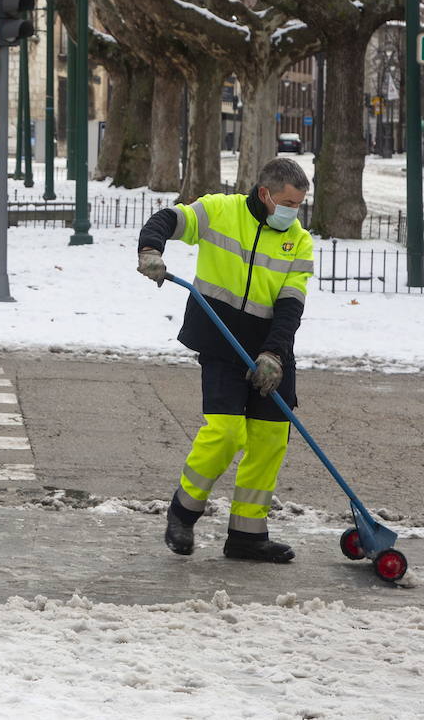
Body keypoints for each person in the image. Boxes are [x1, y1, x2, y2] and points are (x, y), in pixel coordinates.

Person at [136, 157, 314, 563]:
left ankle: (247, 536)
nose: (294, 213)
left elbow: (290, 307)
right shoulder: (220, 211)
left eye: (300, 205)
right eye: (288, 203)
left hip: (270, 349)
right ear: (265, 194)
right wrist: (150, 251)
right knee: (226, 434)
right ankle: (183, 513)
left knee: (270, 439)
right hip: (221, 342)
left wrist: (274, 354)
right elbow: (167, 219)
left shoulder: (299, 241)